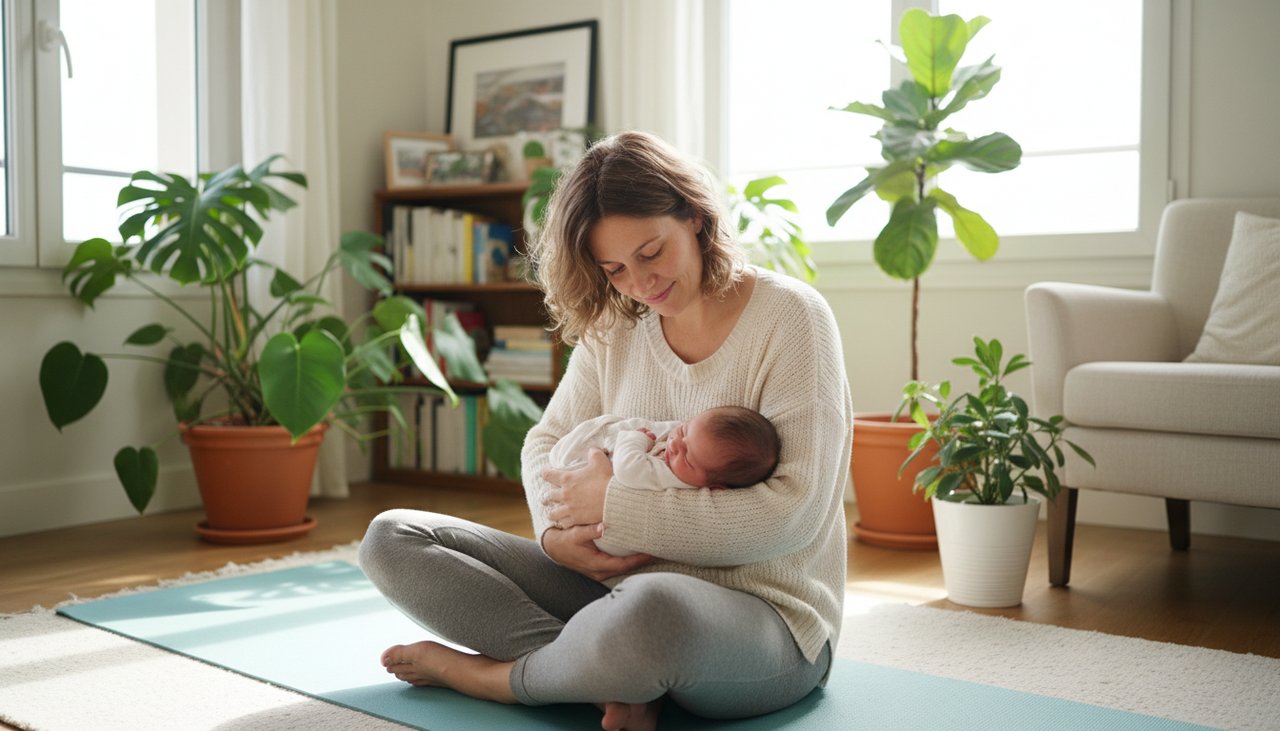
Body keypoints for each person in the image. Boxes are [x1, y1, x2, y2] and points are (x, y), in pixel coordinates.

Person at [358, 131, 852, 731]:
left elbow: (789, 515)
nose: (640, 283)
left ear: (694, 216)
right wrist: (552, 537)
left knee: (650, 608)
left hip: (763, 620)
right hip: (609, 588)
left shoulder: (791, 317)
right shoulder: (617, 324)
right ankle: (607, 677)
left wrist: (614, 507)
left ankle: (502, 680)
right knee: (393, 538)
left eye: (651, 253)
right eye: (614, 268)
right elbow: (546, 440)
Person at [550, 406, 781, 556]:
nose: (674, 445)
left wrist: (635, 438)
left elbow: (628, 469)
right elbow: (664, 430)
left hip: (608, 540)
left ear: (714, 488)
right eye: (683, 431)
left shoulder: (675, 479)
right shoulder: (694, 456)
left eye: (688, 458)